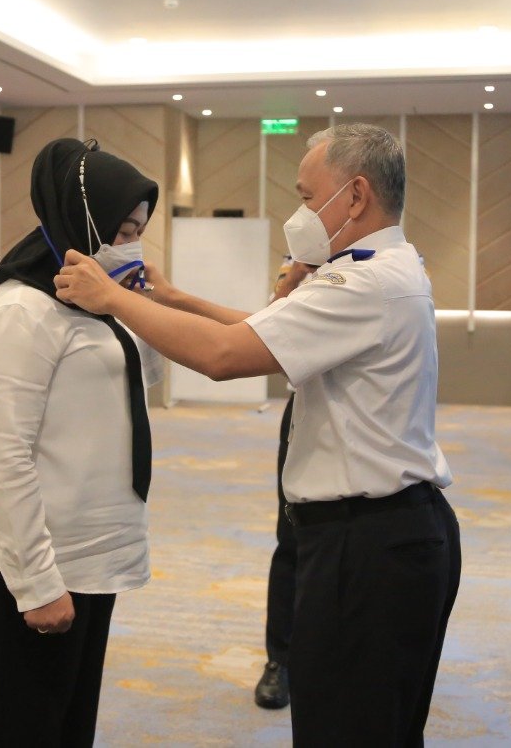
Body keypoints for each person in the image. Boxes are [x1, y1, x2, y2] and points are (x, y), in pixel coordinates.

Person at [55, 123, 461, 747]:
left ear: (355, 196)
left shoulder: (363, 283)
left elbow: (224, 356)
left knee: (344, 729)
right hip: (391, 533)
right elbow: (265, 329)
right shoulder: (380, 268)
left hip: (368, 544)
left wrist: (111, 297)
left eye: (308, 197)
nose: (300, 213)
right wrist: (170, 297)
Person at [0, 137, 162, 747]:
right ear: (82, 219)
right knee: (26, 730)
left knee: (69, 729)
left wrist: (138, 301)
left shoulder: (93, 305)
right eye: (122, 230)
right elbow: (3, 456)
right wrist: (37, 582)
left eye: (139, 232)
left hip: (90, 556)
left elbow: (140, 381)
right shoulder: (19, 312)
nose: (131, 244)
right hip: (29, 563)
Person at [253, 259, 313, 711]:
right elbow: (268, 330)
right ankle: (280, 660)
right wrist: (293, 278)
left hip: (365, 423)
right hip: (305, 412)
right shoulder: (301, 266)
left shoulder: (384, 268)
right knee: (291, 541)